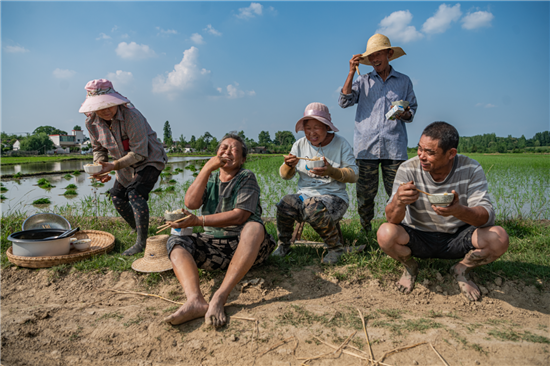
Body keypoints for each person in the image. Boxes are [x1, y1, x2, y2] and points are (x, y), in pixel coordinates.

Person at [377, 122, 509, 301]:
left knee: (499, 238)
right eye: (420, 149)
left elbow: (486, 217)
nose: (421, 156)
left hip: (458, 236)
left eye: (430, 152)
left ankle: (461, 269)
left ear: (451, 154)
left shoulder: (470, 168)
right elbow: (391, 218)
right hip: (418, 235)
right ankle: (410, 267)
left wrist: (459, 211)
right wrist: (399, 201)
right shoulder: (408, 169)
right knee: (385, 233)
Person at [163, 134, 276, 327]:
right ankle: (194, 300)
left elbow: (240, 216)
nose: (227, 152)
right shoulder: (211, 178)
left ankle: (220, 297)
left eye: (234, 150)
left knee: (254, 227)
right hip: (215, 249)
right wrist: (206, 168)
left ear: (242, 160)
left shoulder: (245, 177)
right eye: (223, 148)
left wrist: (198, 220)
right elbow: (191, 202)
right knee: (175, 241)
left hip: (248, 248)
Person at [338, 33, 418, 235]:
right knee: (365, 195)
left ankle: (398, 232)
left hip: (394, 147)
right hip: (366, 148)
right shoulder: (362, 80)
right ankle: (366, 231)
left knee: (398, 194)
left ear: (389, 54)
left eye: (378, 55)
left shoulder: (404, 81)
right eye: (371, 57)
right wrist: (350, 73)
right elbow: (344, 101)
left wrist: (404, 112)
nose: (374, 60)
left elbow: (412, 112)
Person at [79, 79, 167, 256]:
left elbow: (140, 153)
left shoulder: (132, 116)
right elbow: (99, 149)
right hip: (124, 165)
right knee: (117, 196)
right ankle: (139, 229)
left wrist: (112, 166)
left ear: (115, 101)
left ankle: (141, 243)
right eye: (100, 106)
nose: (106, 110)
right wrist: (99, 167)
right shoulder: (92, 123)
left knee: (135, 193)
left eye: (109, 105)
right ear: (93, 108)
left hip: (149, 159)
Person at [272, 102, 358, 264]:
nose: (311, 133)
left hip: (334, 198)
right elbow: (285, 176)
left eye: (316, 127)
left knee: (312, 205)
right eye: (307, 128)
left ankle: (335, 249)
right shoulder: (300, 144)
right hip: (305, 197)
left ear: (327, 126)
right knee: (285, 202)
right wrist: (289, 165)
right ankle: (283, 245)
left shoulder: (341, 144)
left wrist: (331, 171)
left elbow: (354, 175)